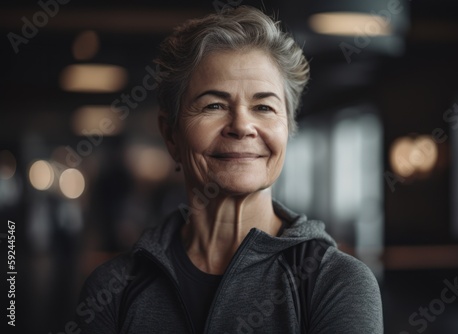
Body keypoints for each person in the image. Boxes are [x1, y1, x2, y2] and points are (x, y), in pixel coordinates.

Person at [75, 6, 383, 334]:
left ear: (288, 131)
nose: (241, 126)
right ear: (171, 135)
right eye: (214, 105)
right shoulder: (113, 290)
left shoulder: (336, 283)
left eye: (264, 107)